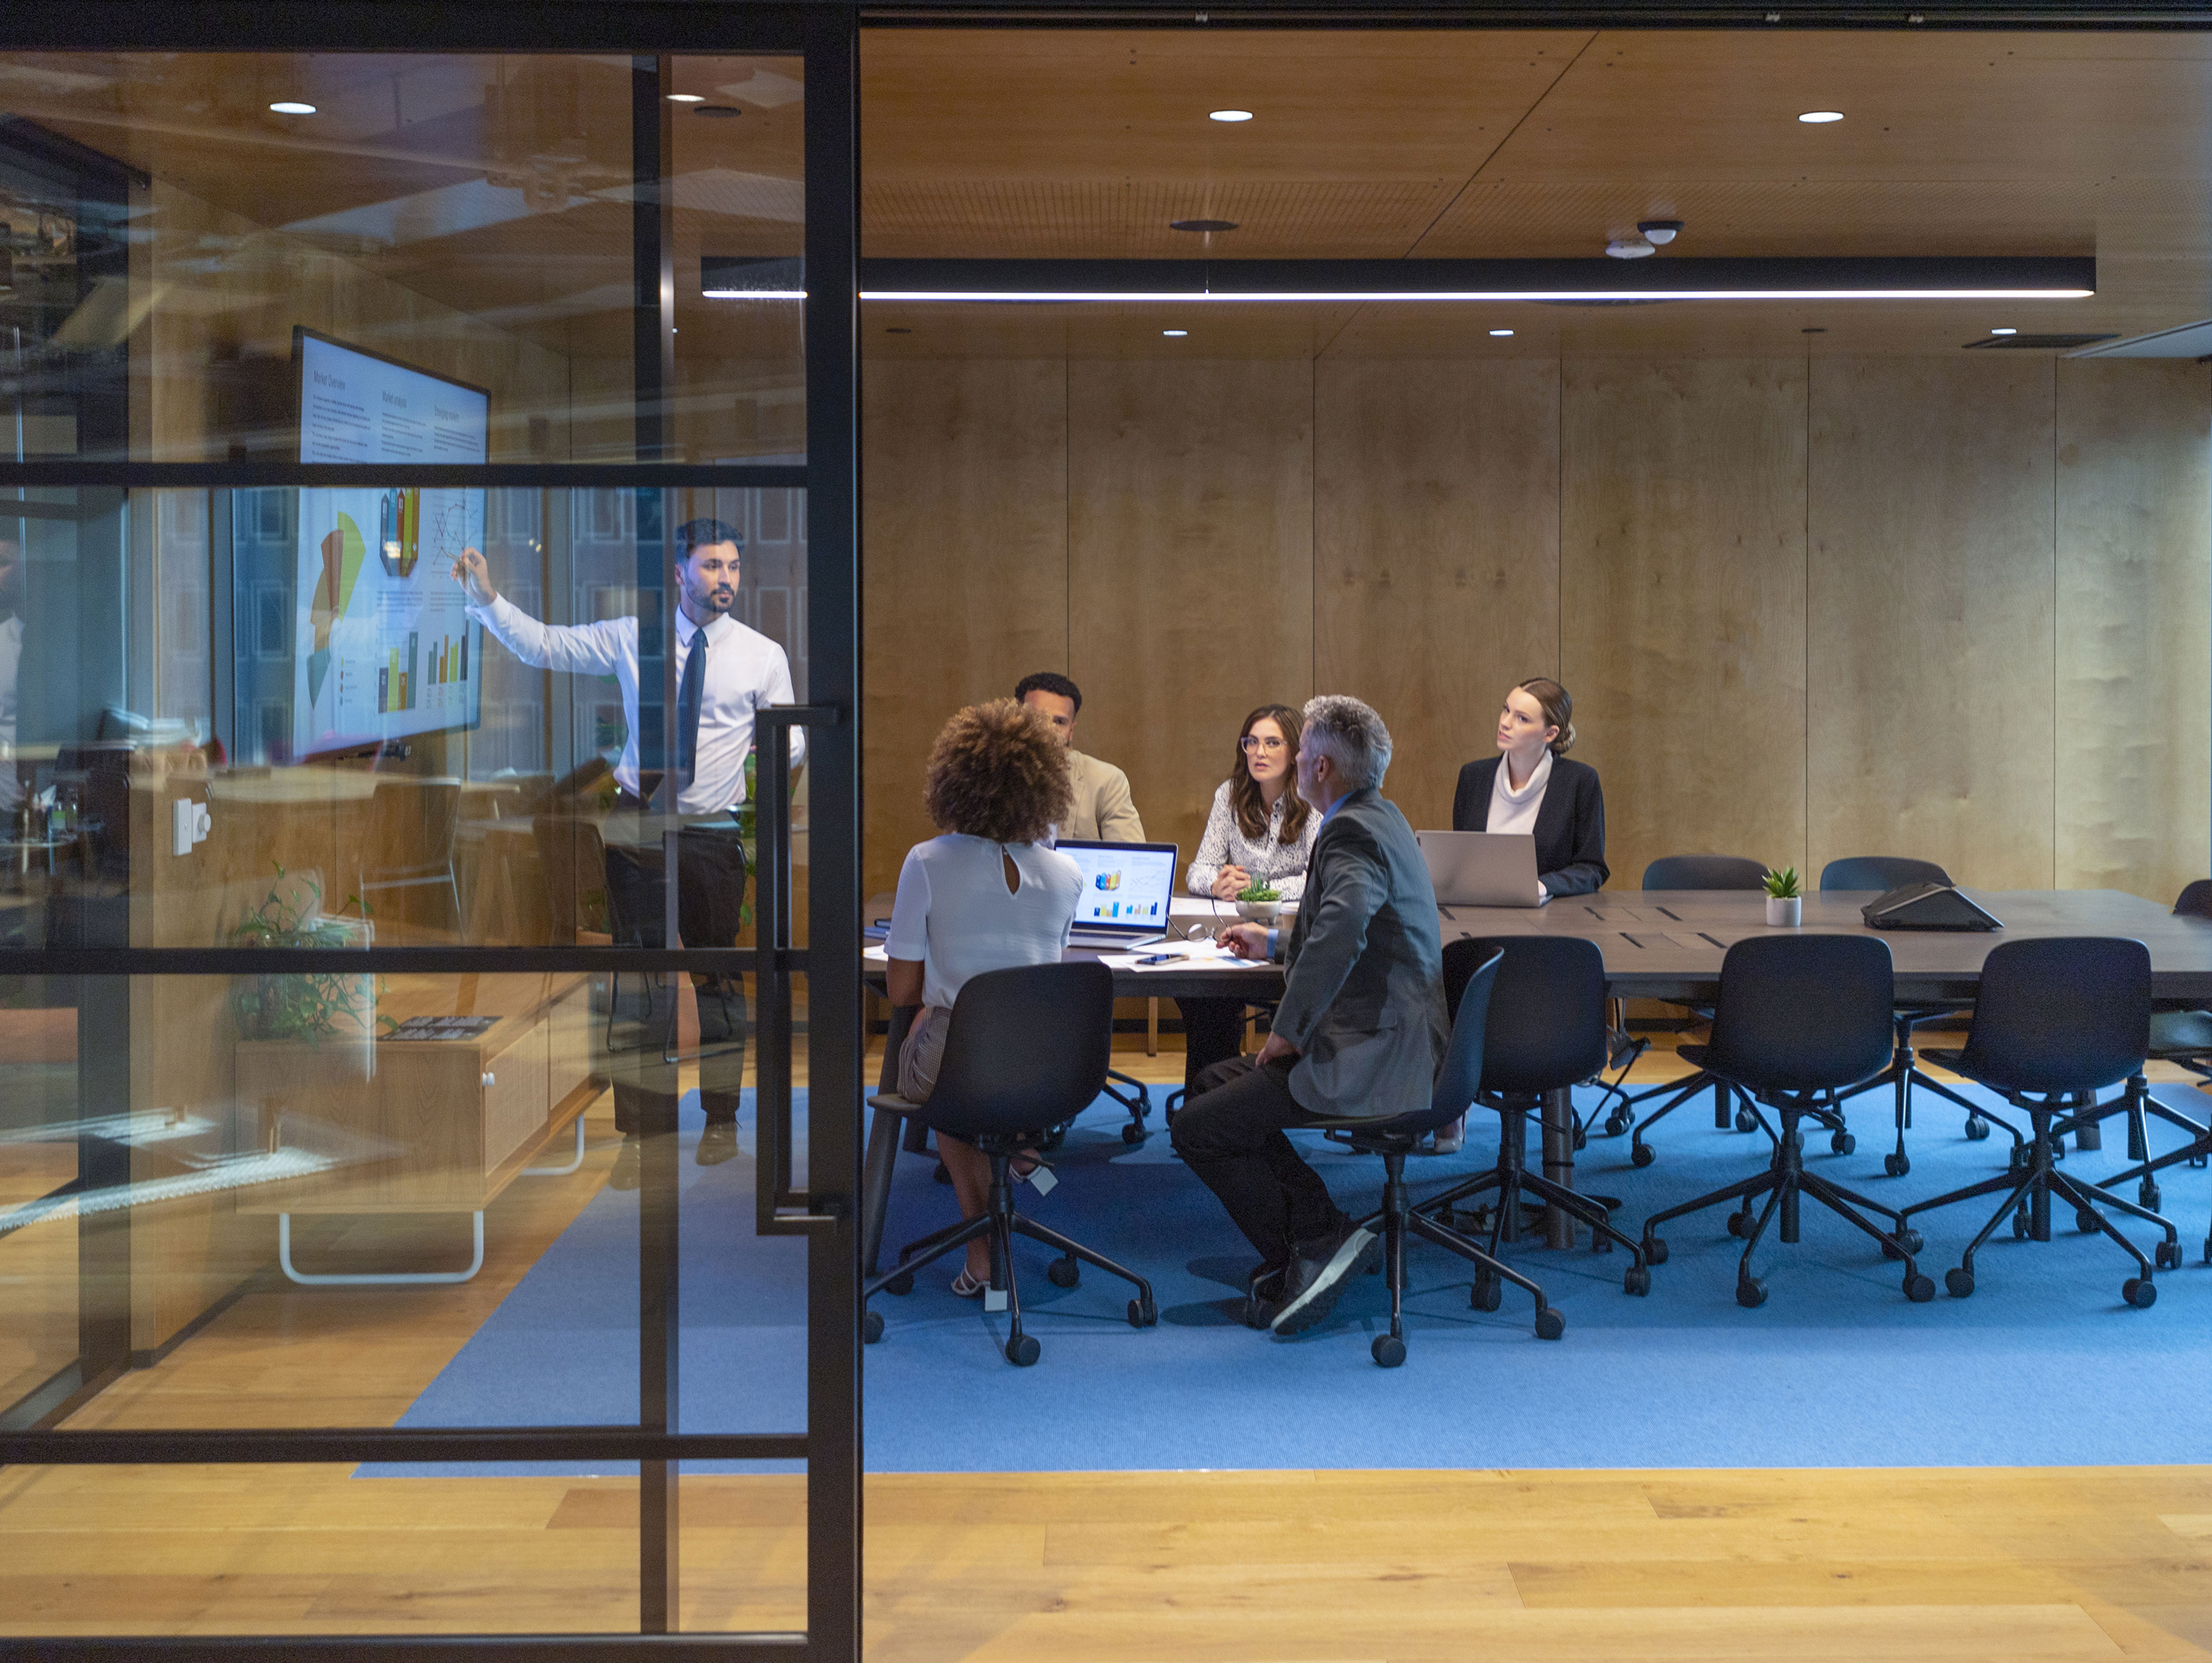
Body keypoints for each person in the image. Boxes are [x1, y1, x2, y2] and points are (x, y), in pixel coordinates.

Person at [453, 517, 802, 1181]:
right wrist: (487, 599)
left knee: (720, 980)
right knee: (639, 988)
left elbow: (793, 737)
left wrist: (779, 747)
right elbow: (545, 647)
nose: (724, 579)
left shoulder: (763, 655)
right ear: (680, 573)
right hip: (638, 826)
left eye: (731, 567)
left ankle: (722, 1124)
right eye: (710, 566)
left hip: (711, 831)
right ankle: (643, 1138)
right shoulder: (632, 638)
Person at [1169, 695, 1448, 1338]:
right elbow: (1346, 927)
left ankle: (1316, 1239)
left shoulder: (1349, 829)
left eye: (1297, 753)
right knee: (1214, 1082)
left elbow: (1341, 932)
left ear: (1320, 766)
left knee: (1195, 1128)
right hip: (1393, 1033)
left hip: (1376, 1053)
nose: (1288, 761)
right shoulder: (1381, 815)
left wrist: (1288, 1030)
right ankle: (1316, 1236)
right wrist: (1271, 943)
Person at [884, 699, 1085, 1294]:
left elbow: (901, 990)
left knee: (950, 1083)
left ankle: (982, 1255)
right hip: (1051, 1068)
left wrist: (932, 1003)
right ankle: (1024, 1158)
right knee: (981, 1078)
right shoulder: (1068, 874)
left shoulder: (927, 862)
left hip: (962, 1061)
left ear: (953, 781)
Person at [1178, 703, 1319, 1093]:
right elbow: (1198, 871)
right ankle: (1208, 1097)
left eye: (1273, 743)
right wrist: (1218, 884)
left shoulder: (1313, 798)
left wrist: (1258, 890)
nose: (1259, 752)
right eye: (1252, 742)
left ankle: (1246, 1097)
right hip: (1234, 938)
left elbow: (1314, 880)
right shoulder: (1230, 795)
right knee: (1204, 999)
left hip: (1290, 937)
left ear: (1294, 752)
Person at [1450, 677, 1608, 899]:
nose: (1505, 722)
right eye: (1506, 710)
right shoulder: (1474, 776)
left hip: (1550, 917)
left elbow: (1592, 869)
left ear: (1550, 733)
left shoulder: (1580, 781)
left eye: (1522, 719)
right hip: (1479, 909)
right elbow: (1462, 857)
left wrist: (1542, 886)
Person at [1014, 671, 1143, 842]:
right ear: (1015, 721)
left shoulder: (1107, 782)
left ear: (1071, 731)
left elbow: (1128, 861)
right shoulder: (990, 781)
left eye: (1059, 722)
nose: (1047, 731)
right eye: (1038, 718)